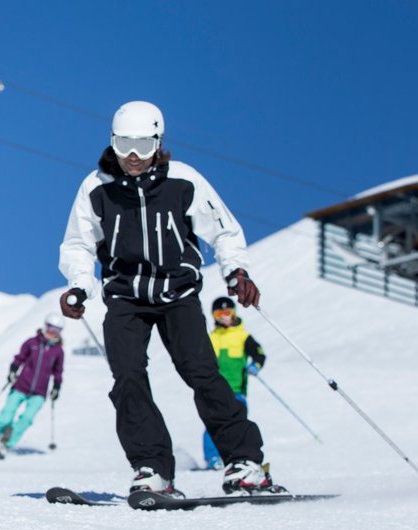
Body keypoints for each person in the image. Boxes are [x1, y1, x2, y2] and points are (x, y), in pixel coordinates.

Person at [57, 101, 284, 497]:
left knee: (201, 372)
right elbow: (78, 244)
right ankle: (152, 467)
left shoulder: (183, 181)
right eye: (124, 143)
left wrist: (236, 271)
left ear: (158, 143)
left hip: (178, 293)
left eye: (143, 145)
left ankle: (244, 463)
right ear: (111, 142)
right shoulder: (96, 188)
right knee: (127, 378)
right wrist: (80, 284)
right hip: (125, 296)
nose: (133, 156)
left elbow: (224, 230)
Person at [0, 314, 65, 460]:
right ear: (46, 326)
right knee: (5, 418)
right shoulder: (32, 343)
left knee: (26, 419)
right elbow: (19, 359)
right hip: (20, 387)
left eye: (57, 330)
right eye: (51, 328)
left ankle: (5, 444)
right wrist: (13, 371)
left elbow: (57, 372)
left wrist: (56, 387)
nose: (53, 332)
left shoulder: (58, 351)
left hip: (39, 392)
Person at [202, 296, 266, 469]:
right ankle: (213, 458)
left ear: (234, 313)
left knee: (237, 423)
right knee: (213, 423)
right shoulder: (211, 337)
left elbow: (259, 353)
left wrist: (256, 365)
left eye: (227, 312)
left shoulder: (242, 336)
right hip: (215, 389)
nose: (224, 316)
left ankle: (238, 457)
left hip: (237, 389)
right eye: (219, 313)